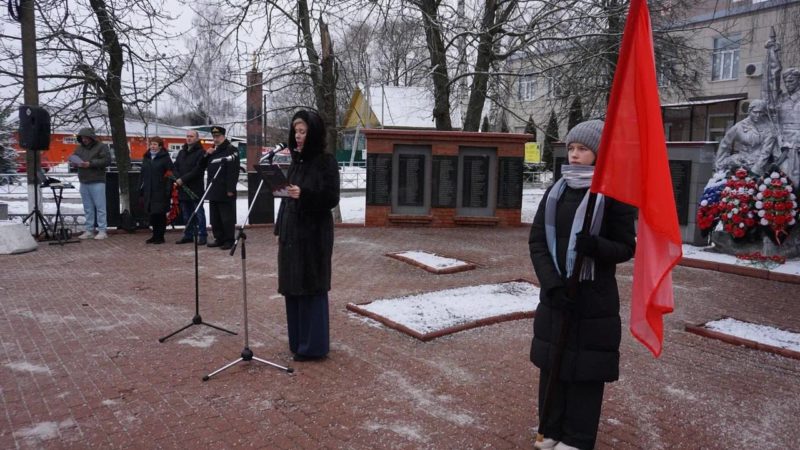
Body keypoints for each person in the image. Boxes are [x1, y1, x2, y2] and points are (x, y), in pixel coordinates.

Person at [528, 120, 636, 450]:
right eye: (571, 148)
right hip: (557, 297)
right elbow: (537, 242)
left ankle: (577, 437)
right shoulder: (555, 191)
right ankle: (550, 429)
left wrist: (597, 247)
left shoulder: (613, 195)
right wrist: (553, 285)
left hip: (593, 301)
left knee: (585, 370)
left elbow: (626, 247)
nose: (574, 155)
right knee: (553, 364)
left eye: (583, 149)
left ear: (599, 154)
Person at [274, 110, 340, 362]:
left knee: (311, 288)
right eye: (295, 131)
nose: (298, 136)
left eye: (303, 131)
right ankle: (298, 341)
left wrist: (305, 194)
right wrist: (280, 228)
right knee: (293, 288)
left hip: (313, 236)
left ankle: (313, 346)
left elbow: (331, 198)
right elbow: (288, 199)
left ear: (313, 132)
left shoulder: (326, 161)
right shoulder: (296, 161)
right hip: (292, 234)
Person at [714, 99, 775, 176]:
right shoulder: (739, 126)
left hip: (760, 164)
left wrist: (756, 168)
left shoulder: (769, 127)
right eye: (755, 112)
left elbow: (766, 151)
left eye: (760, 112)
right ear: (749, 111)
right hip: (741, 161)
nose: (758, 115)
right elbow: (725, 143)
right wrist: (719, 162)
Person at [71, 127, 111, 240]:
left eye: (86, 137)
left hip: (97, 180)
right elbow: (74, 158)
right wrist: (74, 163)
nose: (84, 139)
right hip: (84, 180)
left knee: (100, 207)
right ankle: (89, 229)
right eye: (82, 138)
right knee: (88, 207)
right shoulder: (79, 148)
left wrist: (91, 164)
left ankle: (102, 230)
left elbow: (107, 161)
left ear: (91, 137)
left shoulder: (102, 147)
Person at [203, 126, 239, 250]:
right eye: (214, 137)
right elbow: (203, 166)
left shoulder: (231, 150)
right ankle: (219, 238)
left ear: (224, 136)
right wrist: (206, 154)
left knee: (227, 217)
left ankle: (229, 239)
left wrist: (230, 188)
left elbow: (233, 171)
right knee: (215, 217)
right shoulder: (213, 150)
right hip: (213, 188)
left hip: (225, 189)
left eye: (218, 136)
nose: (215, 139)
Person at [174, 130, 209, 245]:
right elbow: (176, 167)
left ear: (197, 138)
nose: (189, 138)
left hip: (195, 188)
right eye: (187, 136)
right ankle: (188, 235)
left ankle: (202, 235)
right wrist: (178, 179)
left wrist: (182, 179)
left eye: (191, 136)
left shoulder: (201, 153)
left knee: (199, 213)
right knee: (186, 214)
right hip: (183, 188)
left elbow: (198, 170)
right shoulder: (181, 152)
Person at [140, 136, 175, 244]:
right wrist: (141, 186)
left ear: (160, 146)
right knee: (152, 214)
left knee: (160, 213)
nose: (153, 146)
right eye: (151, 144)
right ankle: (154, 235)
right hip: (149, 190)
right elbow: (143, 173)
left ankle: (160, 236)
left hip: (160, 189)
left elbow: (170, 174)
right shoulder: (146, 157)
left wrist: (168, 189)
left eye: (155, 144)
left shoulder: (165, 158)